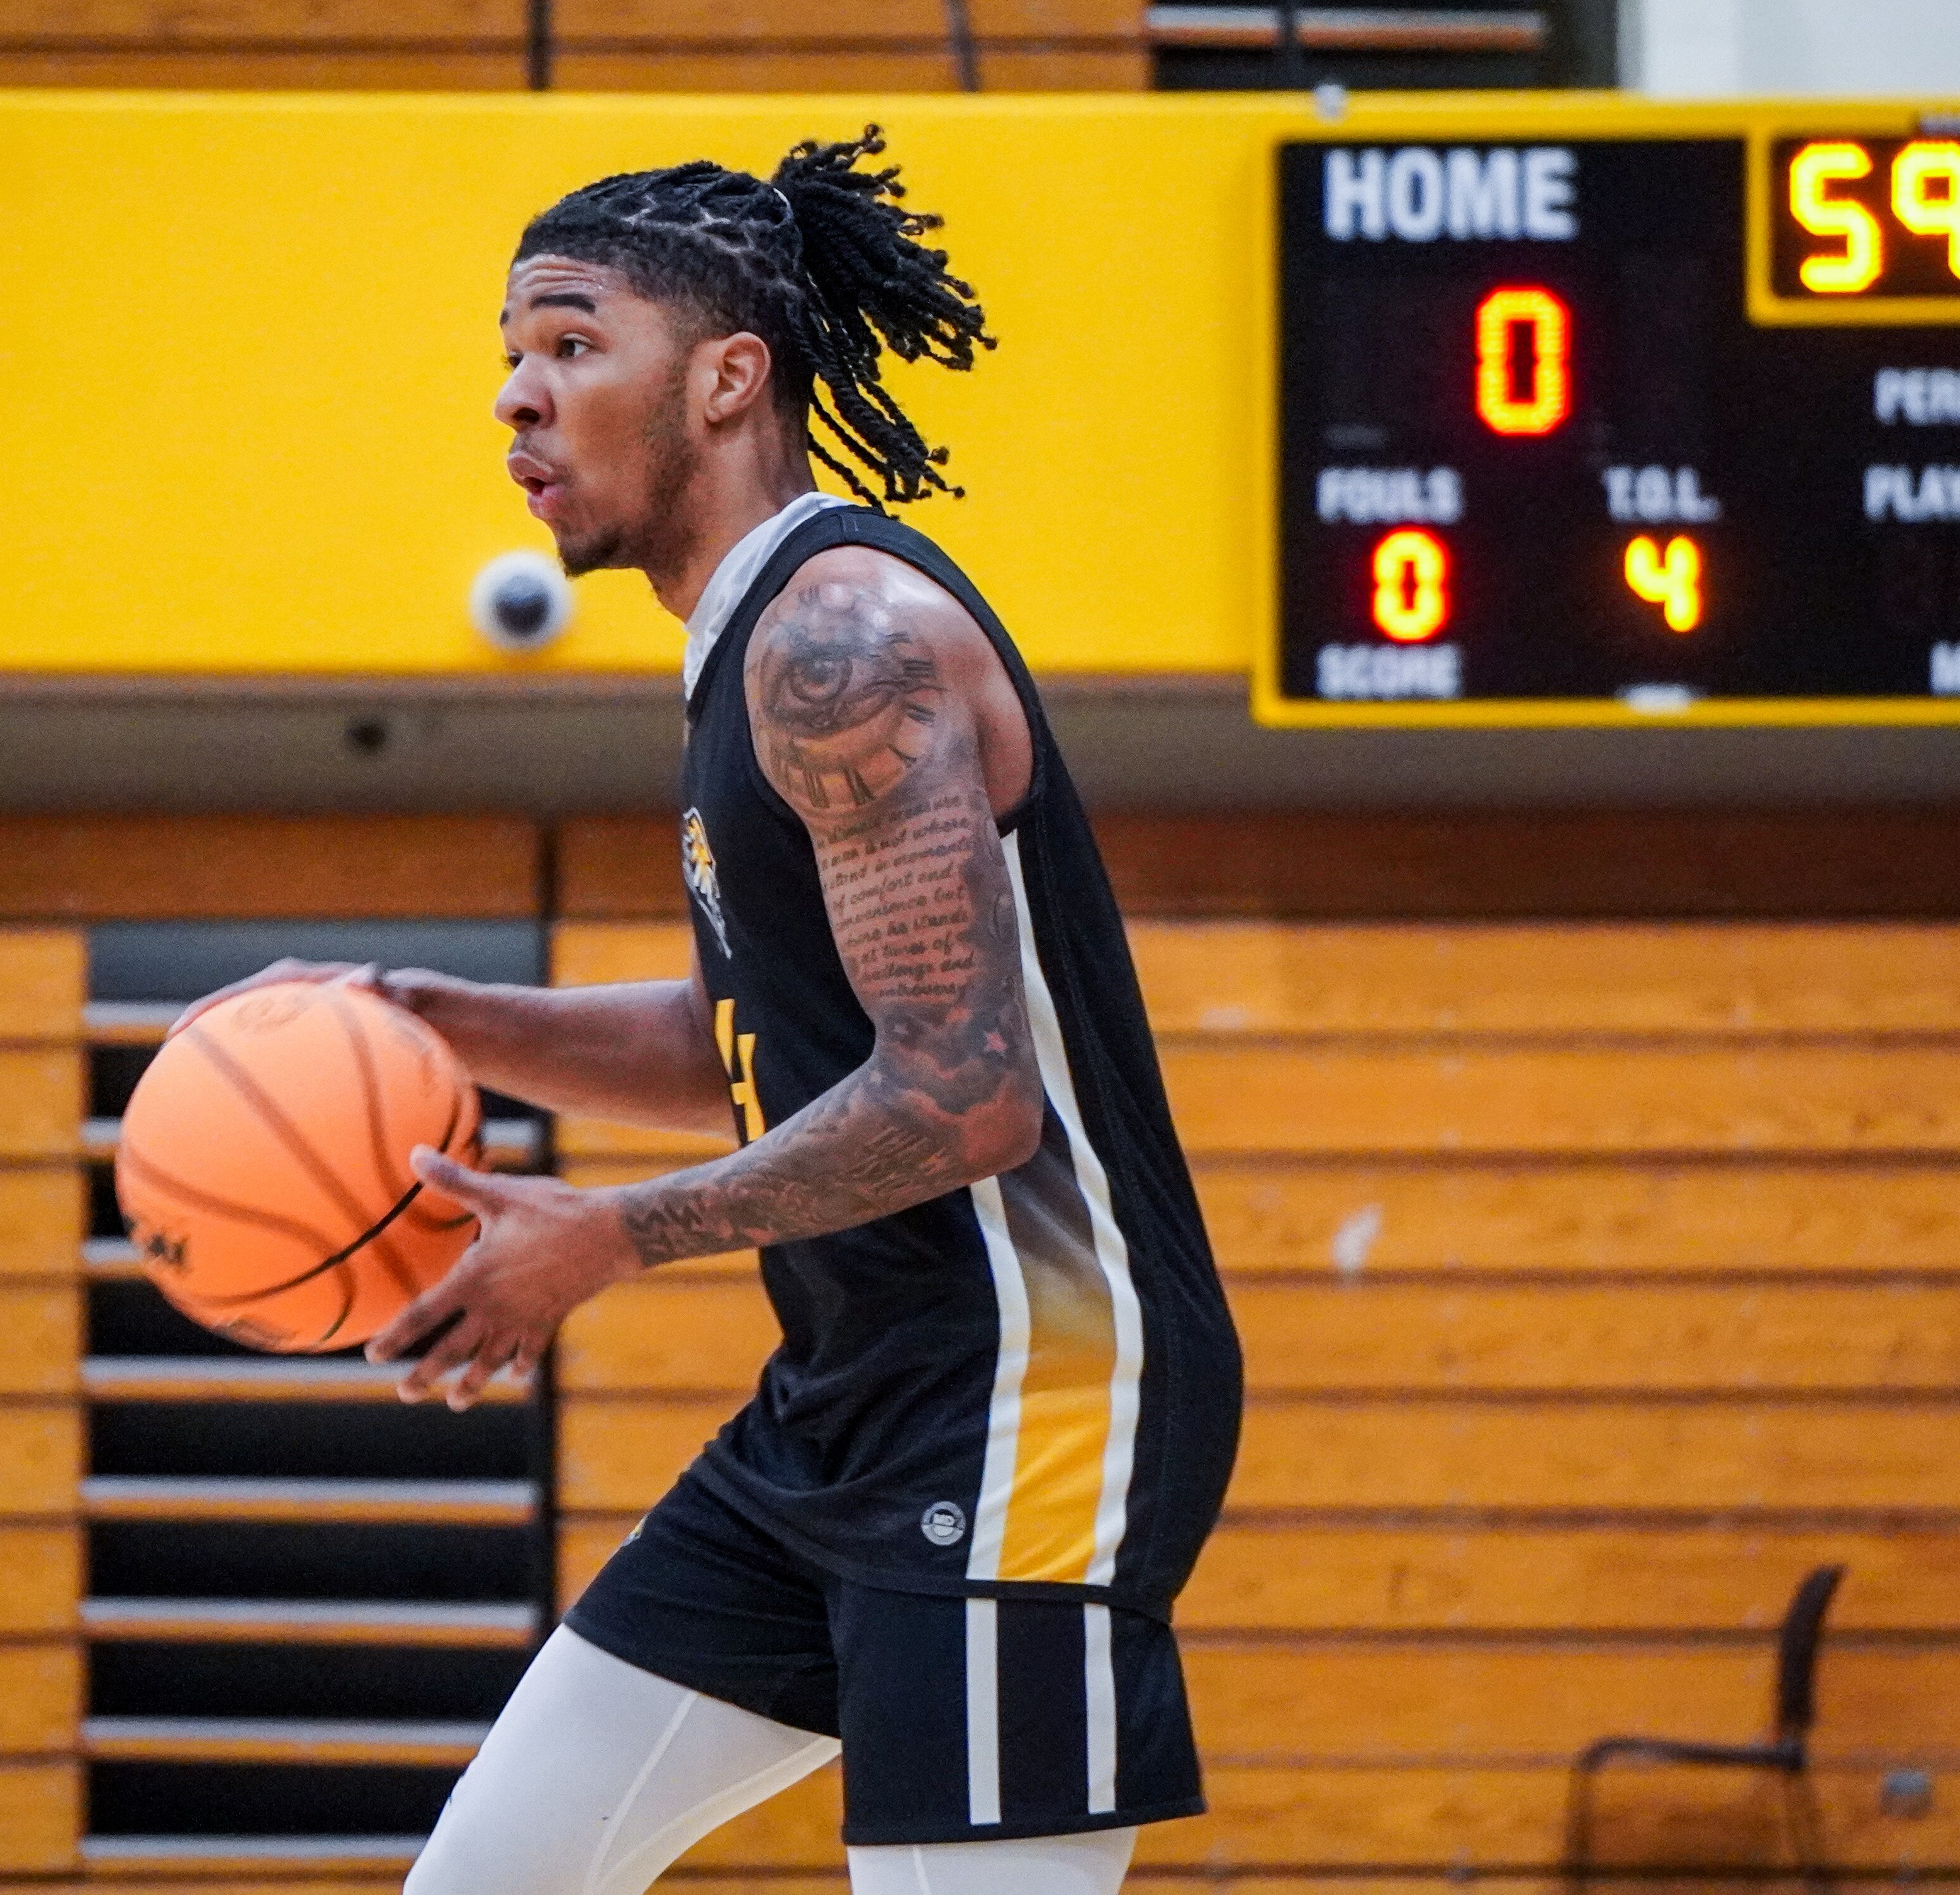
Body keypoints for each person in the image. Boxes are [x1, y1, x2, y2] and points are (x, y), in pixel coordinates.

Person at [190, 129, 1241, 1895]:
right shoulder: (752, 650)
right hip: (846, 1399)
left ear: (730, 378)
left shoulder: (845, 637)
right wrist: (423, 1013)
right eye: (509, 357)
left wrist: (603, 1235)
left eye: (571, 346)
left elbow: (963, 1099)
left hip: (1024, 1391)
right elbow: (743, 1056)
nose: (518, 400)